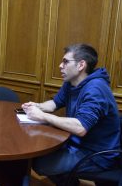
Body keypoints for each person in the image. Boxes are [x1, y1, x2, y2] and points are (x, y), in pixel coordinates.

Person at [22, 44, 120, 185]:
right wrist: (37, 106)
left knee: (39, 164)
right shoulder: (71, 83)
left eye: (65, 61)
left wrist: (42, 116)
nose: (60, 65)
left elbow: (80, 127)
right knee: (34, 155)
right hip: (75, 144)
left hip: (95, 154)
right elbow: (55, 103)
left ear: (81, 65)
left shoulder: (96, 89)